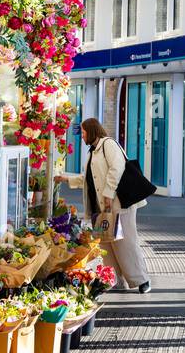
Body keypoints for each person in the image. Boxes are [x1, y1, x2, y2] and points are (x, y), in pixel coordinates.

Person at [58, 118, 151, 293]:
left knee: (126, 242)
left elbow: (117, 167)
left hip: (118, 203)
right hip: (98, 207)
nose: (83, 136)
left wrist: (109, 193)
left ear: (92, 131)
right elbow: (88, 179)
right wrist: (65, 179)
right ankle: (114, 279)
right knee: (107, 244)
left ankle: (141, 279)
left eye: (84, 133)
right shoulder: (92, 152)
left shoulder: (108, 145)